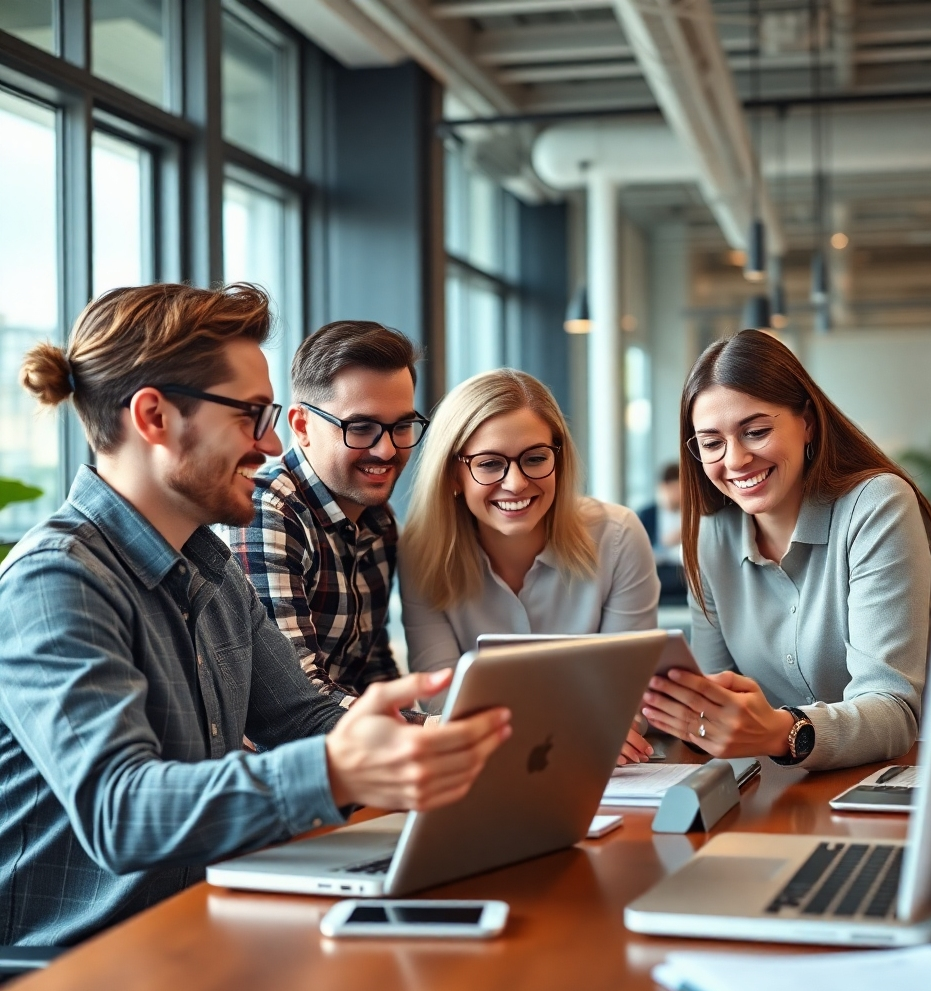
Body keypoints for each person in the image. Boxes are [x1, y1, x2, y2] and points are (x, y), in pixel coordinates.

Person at [0, 283, 510, 946]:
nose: (271, 447)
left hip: (197, 933)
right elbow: (118, 811)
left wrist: (453, 747)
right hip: (74, 973)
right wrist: (335, 767)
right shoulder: (56, 578)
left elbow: (303, 719)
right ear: (154, 417)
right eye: (250, 415)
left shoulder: (209, 568)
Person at [639, 329, 931, 771]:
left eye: (756, 431)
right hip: (777, 794)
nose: (736, 459)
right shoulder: (712, 535)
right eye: (711, 443)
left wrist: (783, 731)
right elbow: (710, 705)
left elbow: (894, 712)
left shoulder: (877, 505)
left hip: (895, 780)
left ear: (807, 422)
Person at [399, 368, 660, 764]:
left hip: (606, 772)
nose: (517, 483)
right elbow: (443, 699)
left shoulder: (618, 536)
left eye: (535, 458)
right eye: (489, 464)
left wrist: (602, 724)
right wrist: (573, 726)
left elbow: (631, 694)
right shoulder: (421, 553)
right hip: (488, 773)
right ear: (454, 473)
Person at [222, 321, 427, 705]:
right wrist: (429, 731)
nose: (386, 451)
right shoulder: (267, 513)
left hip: (353, 750)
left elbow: (372, 666)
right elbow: (298, 699)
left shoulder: (378, 518)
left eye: (401, 426)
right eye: (361, 427)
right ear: (302, 426)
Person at [637, 462, 687, 603]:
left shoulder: (692, 514)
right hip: (658, 567)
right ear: (663, 488)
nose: (678, 494)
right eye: (674, 489)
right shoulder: (647, 514)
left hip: (684, 568)